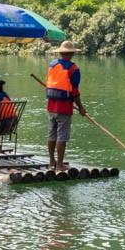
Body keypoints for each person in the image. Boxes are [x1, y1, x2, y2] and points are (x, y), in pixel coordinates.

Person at [41, 42, 87, 171]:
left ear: (60, 53)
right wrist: (81, 108)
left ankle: (51, 162)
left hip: (51, 105)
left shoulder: (52, 65)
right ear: (72, 53)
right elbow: (75, 92)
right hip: (64, 107)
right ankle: (60, 165)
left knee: (51, 134)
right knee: (62, 136)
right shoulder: (74, 69)